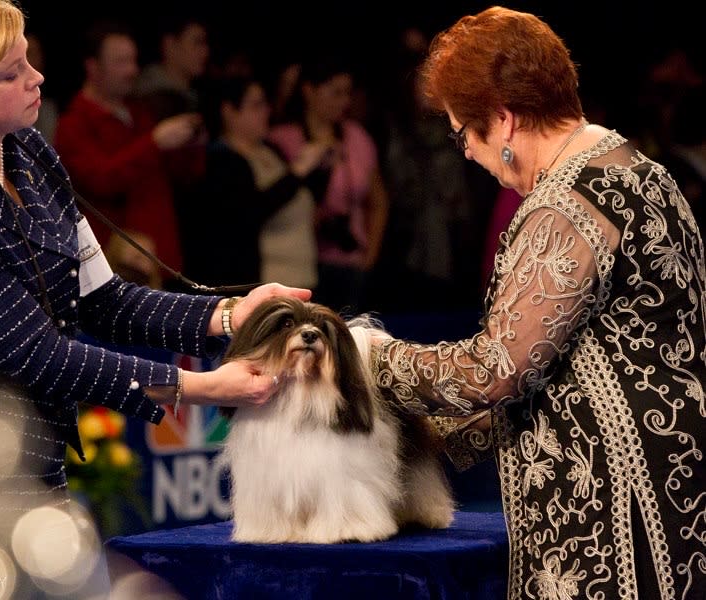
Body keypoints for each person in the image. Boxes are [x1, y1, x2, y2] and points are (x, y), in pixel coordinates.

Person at [0, 0, 309, 591]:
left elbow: (103, 300)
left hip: (30, 451)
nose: (36, 78)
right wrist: (200, 387)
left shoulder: (31, 155)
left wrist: (227, 316)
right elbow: (41, 355)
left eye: (28, 61)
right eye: (11, 72)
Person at [369, 7, 706, 600]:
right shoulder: (646, 173)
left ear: (502, 119)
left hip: (615, 511)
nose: (466, 153)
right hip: (676, 483)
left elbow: (498, 371)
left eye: (461, 132)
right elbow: (565, 369)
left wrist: (370, 360)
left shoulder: (564, 205)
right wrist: (426, 438)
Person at [54, 20, 204, 281]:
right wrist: (154, 142)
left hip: (162, 261)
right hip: (119, 270)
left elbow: (182, 176)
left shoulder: (140, 113)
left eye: (133, 61)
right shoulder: (73, 124)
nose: (132, 70)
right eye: (121, 62)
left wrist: (190, 141)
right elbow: (101, 180)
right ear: (93, 67)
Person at [181, 74, 328, 290]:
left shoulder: (270, 150)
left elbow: (302, 197)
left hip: (302, 271)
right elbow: (251, 212)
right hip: (266, 277)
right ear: (229, 111)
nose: (266, 111)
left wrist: (322, 169)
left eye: (266, 103)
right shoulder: (223, 159)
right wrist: (298, 170)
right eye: (256, 105)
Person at [269, 55, 389, 314]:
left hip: (351, 261)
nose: (344, 102)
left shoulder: (356, 136)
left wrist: (370, 256)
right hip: (302, 262)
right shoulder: (283, 140)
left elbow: (378, 201)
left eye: (347, 93)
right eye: (335, 93)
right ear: (309, 90)